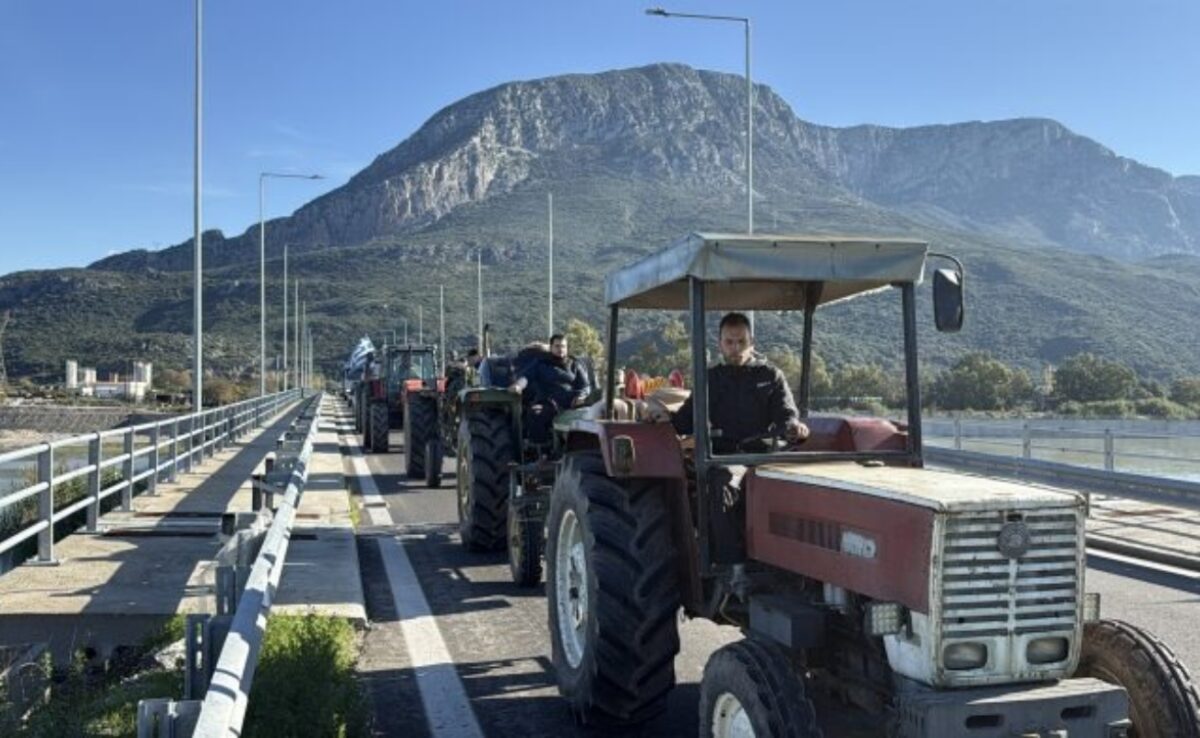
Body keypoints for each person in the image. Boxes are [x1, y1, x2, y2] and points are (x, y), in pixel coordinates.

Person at [668, 312, 809, 452]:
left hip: (761, 454)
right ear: (720, 344)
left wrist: (794, 428)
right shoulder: (709, 377)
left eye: (742, 342)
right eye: (729, 342)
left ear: (752, 343)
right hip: (720, 456)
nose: (736, 348)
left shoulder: (771, 376)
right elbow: (686, 420)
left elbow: (785, 416)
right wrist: (661, 417)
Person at [508, 334, 591, 410]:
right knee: (537, 414)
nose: (561, 349)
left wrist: (580, 397)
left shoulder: (574, 363)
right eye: (557, 346)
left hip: (571, 402)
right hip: (547, 403)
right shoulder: (541, 363)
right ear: (551, 347)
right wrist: (518, 386)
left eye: (563, 346)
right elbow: (526, 377)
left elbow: (584, 386)